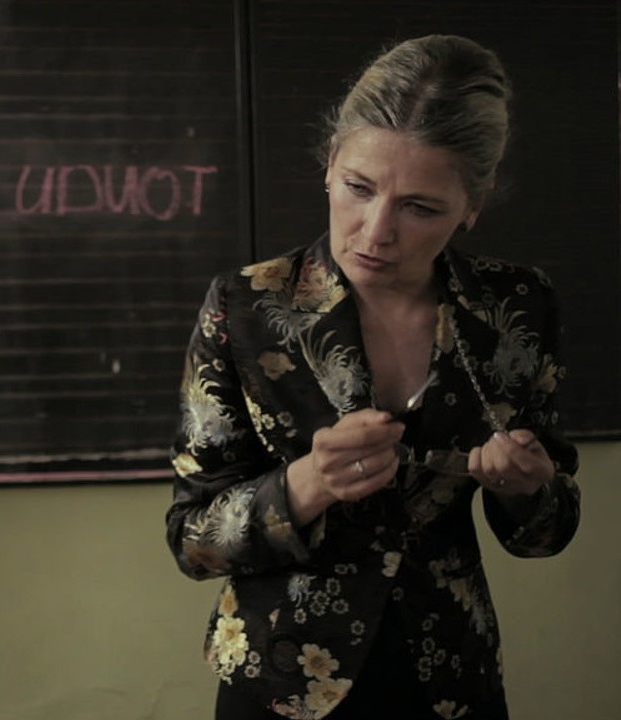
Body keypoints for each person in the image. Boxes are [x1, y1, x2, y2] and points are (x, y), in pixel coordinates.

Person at [164, 35, 580, 720]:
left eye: (421, 207)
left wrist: (527, 490)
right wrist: (307, 485)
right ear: (331, 165)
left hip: (451, 678)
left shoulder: (516, 308)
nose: (376, 231)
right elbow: (192, 540)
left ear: (473, 205)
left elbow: (548, 531)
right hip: (281, 682)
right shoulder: (245, 307)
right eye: (359, 188)